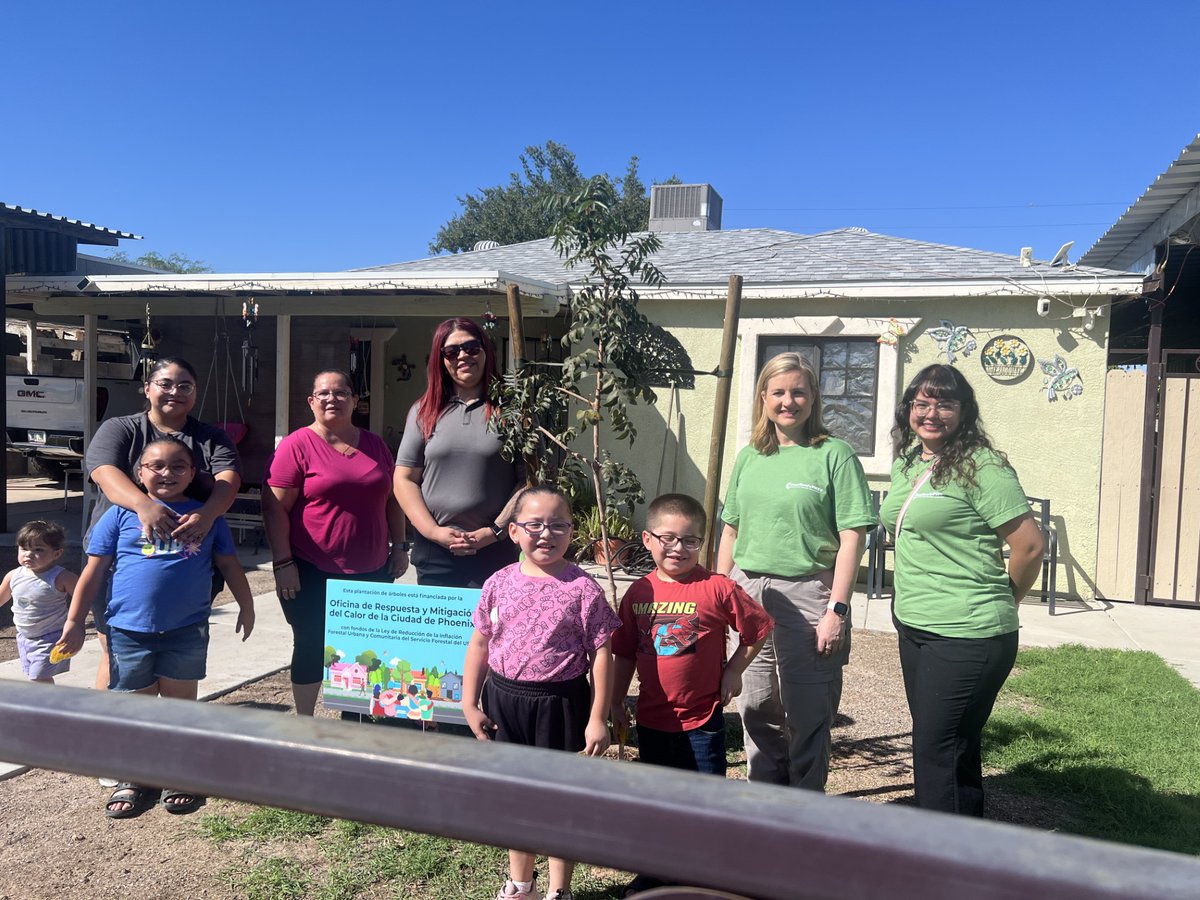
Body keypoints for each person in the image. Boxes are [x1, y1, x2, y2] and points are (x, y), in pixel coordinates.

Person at [59, 437, 255, 819]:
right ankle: (134, 775)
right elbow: (93, 572)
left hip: (186, 630)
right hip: (129, 632)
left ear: (193, 473)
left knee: (180, 706)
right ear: (140, 472)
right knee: (137, 707)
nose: (167, 473)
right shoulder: (119, 515)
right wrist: (74, 621)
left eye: (178, 466)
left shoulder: (206, 518)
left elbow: (230, 565)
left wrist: (246, 606)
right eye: (157, 466)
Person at [880, 363, 1044, 817]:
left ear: (964, 411)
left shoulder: (983, 467)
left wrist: (1006, 599)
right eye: (922, 403)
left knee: (936, 749)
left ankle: (939, 851)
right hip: (916, 623)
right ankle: (965, 841)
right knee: (950, 745)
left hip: (968, 632)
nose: (931, 414)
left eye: (945, 404)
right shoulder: (910, 462)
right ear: (908, 409)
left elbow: (1030, 546)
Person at [716, 352, 876, 791]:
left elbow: (852, 537)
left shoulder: (835, 455)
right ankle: (765, 800)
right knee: (755, 705)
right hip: (747, 590)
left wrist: (837, 610)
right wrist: (719, 593)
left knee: (808, 712)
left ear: (814, 398)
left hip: (809, 593)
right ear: (763, 398)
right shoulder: (750, 456)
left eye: (798, 392)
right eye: (778, 392)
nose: (788, 401)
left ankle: (805, 806)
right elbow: (730, 530)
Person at [611, 493, 773, 898]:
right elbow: (624, 652)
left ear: (704, 541)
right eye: (667, 538)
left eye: (690, 540)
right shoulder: (639, 593)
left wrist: (733, 670)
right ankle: (656, 871)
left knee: (705, 803)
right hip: (652, 720)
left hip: (702, 722)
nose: (678, 548)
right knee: (657, 802)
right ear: (647, 539)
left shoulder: (717, 588)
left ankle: (703, 875)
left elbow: (758, 629)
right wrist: (615, 701)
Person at [462, 485, 619, 900]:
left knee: (559, 800)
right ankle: (520, 884)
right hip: (504, 702)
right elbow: (480, 644)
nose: (546, 534)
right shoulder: (498, 582)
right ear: (514, 531)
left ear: (572, 532)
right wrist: (468, 702)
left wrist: (597, 717)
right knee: (518, 797)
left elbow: (602, 654)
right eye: (534, 525)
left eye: (558, 525)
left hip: (561, 704)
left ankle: (559, 890)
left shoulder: (583, 589)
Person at [84, 357, 242, 695]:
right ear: (147, 389)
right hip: (121, 563)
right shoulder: (120, 428)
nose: (175, 392)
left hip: (189, 563)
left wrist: (208, 514)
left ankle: (170, 726)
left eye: (185, 386)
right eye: (165, 384)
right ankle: (109, 725)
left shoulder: (211, 438)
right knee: (115, 652)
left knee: (179, 655)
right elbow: (103, 473)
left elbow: (228, 479)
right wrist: (144, 505)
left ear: (195, 393)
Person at [264, 369, 409, 716]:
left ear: (355, 400)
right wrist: (283, 563)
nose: (333, 399)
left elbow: (393, 499)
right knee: (311, 644)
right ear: (311, 401)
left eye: (341, 392)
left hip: (372, 568)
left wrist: (400, 546)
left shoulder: (375, 445)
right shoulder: (296, 445)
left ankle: (353, 722)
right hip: (311, 569)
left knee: (362, 650)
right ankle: (305, 722)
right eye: (324, 393)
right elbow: (273, 508)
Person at [394, 318, 522, 589]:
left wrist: (495, 531)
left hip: (495, 551)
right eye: (452, 351)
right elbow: (404, 479)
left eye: (472, 347)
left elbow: (530, 481)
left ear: (486, 351)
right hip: (435, 553)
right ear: (440, 360)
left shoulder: (513, 411)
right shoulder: (423, 412)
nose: (463, 356)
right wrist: (433, 532)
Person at [0, 521, 79, 684]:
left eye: (38, 550)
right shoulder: (13, 576)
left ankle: (45, 701)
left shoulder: (61, 577)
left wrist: (76, 625)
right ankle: (46, 699)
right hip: (24, 636)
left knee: (39, 679)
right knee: (35, 677)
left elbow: (84, 597)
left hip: (51, 638)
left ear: (56, 554)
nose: (28, 554)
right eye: (24, 548)